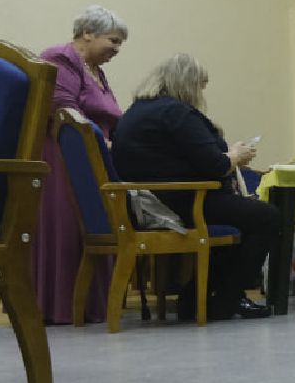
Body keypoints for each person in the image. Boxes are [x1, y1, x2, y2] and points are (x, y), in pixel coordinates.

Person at [113, 55, 276, 321]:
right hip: (183, 203)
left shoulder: (135, 111)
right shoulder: (176, 112)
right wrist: (235, 155)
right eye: (199, 86)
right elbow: (214, 164)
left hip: (149, 203)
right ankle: (227, 300)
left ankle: (194, 299)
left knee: (240, 221)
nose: (200, 93)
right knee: (267, 217)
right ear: (187, 83)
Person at [33, 6, 127, 324]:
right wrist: (106, 143)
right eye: (113, 41)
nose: (116, 50)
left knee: (95, 227)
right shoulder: (60, 58)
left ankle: (92, 305)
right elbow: (65, 113)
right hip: (66, 158)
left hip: (97, 158)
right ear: (87, 33)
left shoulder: (96, 70)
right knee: (71, 229)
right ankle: (63, 306)